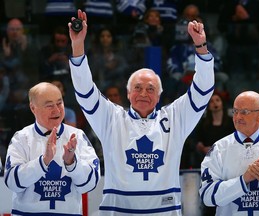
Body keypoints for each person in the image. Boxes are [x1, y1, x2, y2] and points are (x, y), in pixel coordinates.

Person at [68, 9, 214, 215]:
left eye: (150, 89)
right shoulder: (110, 118)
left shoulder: (175, 118)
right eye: (137, 88)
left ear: (159, 95)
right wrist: (77, 46)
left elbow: (203, 91)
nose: (143, 93)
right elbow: (84, 91)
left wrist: (200, 47)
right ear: (128, 93)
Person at [4, 82, 100, 215]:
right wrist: (43, 162)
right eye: (49, 105)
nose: (57, 110)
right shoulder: (21, 138)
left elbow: (90, 184)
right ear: (33, 108)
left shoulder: (77, 136)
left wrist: (72, 163)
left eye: (59, 103)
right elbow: (12, 183)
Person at [199, 91, 259, 215]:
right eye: (235, 111)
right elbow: (207, 197)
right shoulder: (218, 149)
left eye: (244, 112)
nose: (238, 117)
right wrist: (242, 181)